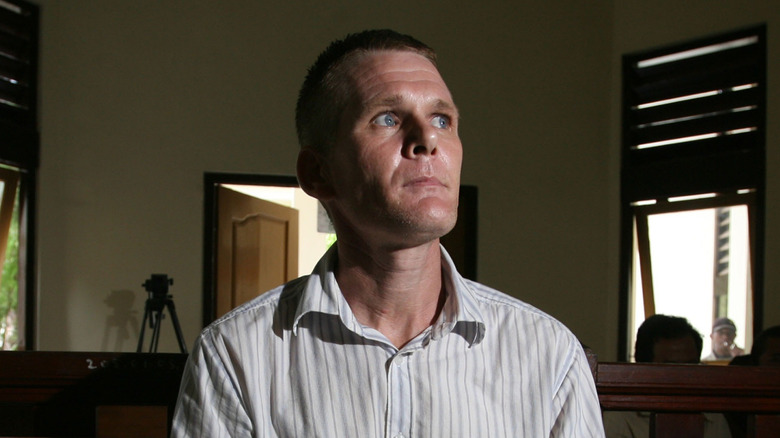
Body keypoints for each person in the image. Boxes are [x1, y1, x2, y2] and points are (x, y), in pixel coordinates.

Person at [171, 29, 605, 437]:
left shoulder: (547, 354)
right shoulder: (234, 356)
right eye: (387, 119)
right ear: (318, 173)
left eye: (441, 119)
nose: (426, 141)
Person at [603, 314, 731, 438]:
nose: (684, 378)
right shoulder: (620, 417)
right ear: (643, 369)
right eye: (672, 368)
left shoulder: (713, 414)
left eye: (691, 366)